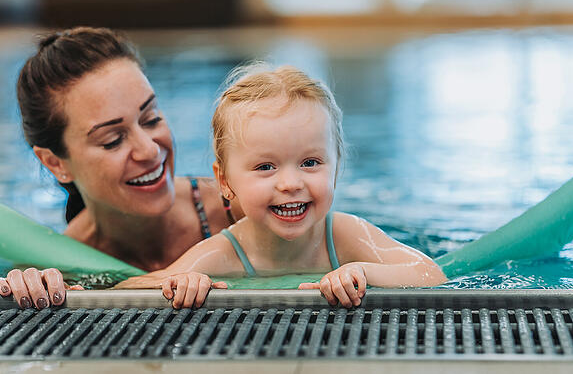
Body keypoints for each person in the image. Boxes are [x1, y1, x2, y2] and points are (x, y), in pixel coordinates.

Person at [116, 65, 447, 308]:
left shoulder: (345, 235)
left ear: (336, 169)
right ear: (225, 182)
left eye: (310, 163)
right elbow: (128, 289)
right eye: (265, 167)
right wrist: (182, 281)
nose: (291, 183)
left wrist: (361, 270)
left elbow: (432, 276)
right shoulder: (224, 252)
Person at [0, 27, 242, 309]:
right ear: (56, 163)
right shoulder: (58, 267)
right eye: (112, 140)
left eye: (151, 119)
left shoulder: (240, 210)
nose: (149, 149)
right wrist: (28, 288)